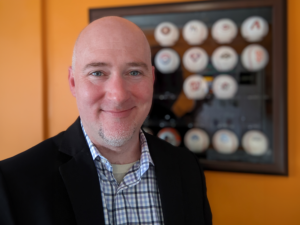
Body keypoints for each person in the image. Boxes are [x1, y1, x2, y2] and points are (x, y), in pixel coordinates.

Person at [0, 16, 212, 225]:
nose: (118, 96)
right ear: (73, 83)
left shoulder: (187, 168)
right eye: (98, 72)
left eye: (135, 72)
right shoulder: (12, 182)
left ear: (152, 79)